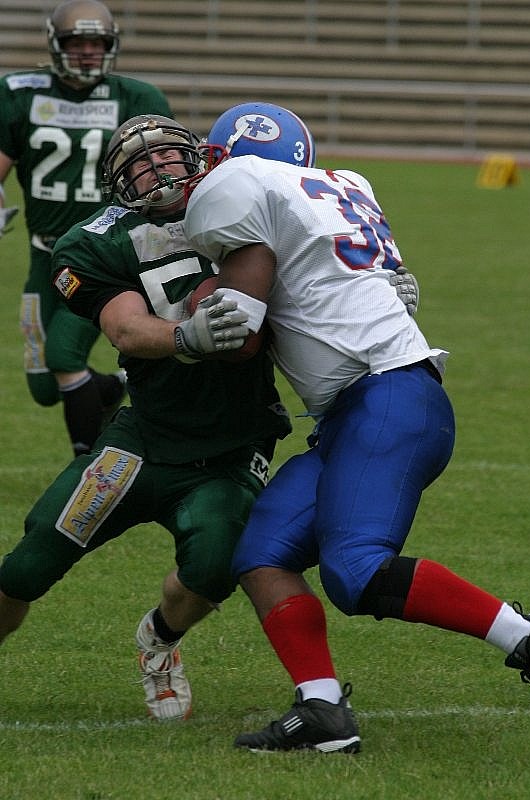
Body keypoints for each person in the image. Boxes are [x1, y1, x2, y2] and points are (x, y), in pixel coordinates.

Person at [183, 102, 530, 751]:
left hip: (387, 397)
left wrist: (186, 325)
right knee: (263, 553)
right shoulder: (337, 186)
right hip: (361, 408)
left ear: (235, 165)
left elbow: (241, 326)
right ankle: (322, 709)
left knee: (354, 571)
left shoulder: (243, 186)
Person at [0, 114, 293, 722]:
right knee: (27, 566)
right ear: (117, 182)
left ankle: (159, 641)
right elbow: (126, 329)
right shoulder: (96, 240)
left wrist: (378, 287)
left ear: (198, 157)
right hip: (143, 439)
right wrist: (187, 336)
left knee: (214, 567)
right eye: (140, 161)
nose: (158, 167)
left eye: (167, 154)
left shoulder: (248, 205)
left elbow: (322, 267)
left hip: (234, 444)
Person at [0, 0, 173, 457]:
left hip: (102, 254)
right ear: (56, 45)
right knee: (43, 386)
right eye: (78, 42)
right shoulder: (18, 94)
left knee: (63, 356)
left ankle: (89, 468)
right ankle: (112, 388)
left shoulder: (136, 99)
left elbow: (161, 175)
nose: (89, 52)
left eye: (98, 43)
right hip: (43, 253)